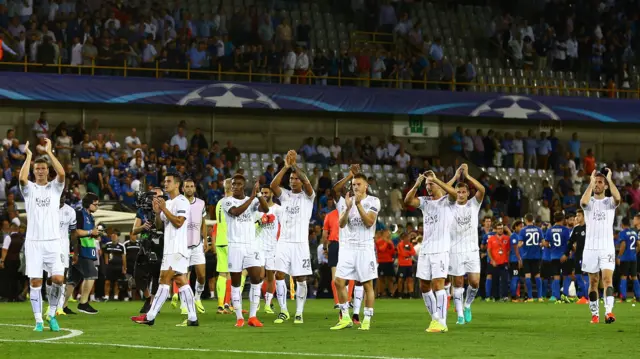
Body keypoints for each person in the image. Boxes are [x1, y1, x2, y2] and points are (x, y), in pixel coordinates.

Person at [131, 173, 199, 327]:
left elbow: (179, 222)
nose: (166, 183)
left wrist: (164, 209)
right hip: (171, 248)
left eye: (169, 181)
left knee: (164, 279)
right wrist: (157, 212)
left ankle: (150, 315)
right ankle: (193, 318)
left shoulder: (181, 201)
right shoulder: (168, 203)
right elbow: (161, 225)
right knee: (182, 281)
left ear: (177, 185)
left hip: (177, 248)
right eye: (165, 181)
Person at [19, 139, 66, 332]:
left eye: (43, 168)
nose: (39, 171)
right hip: (34, 242)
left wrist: (49, 152)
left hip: (53, 242)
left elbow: (62, 173)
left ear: (47, 171)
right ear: (34, 170)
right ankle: (38, 320)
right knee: (35, 281)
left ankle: (52, 313)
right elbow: (21, 179)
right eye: (37, 168)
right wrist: (28, 156)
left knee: (58, 279)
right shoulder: (29, 189)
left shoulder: (55, 188)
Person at [404, 170, 456, 333]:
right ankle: (435, 318)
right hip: (426, 249)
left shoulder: (448, 201)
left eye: (430, 184)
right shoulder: (425, 201)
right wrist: (417, 183)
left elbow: (454, 193)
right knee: (424, 285)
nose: (428, 187)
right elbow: (407, 201)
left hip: (441, 249)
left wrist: (437, 180)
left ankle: (442, 321)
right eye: (427, 185)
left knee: (438, 284)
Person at [329, 172, 380, 331]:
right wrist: (349, 206)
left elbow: (369, 222)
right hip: (347, 248)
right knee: (338, 281)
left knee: (366, 284)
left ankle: (367, 319)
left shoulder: (374, 201)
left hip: (364, 248)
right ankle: (345, 318)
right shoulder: (347, 201)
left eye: (358, 184)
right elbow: (342, 224)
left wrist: (358, 205)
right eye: (353, 185)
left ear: (366, 186)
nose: (355, 187)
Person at [270, 150, 315, 324]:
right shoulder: (285, 195)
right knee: (279, 274)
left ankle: (299, 312)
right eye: (291, 178)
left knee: (300, 278)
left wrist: (295, 166)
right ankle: (283, 311)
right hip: (284, 242)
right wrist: (285, 168)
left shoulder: (308, 197)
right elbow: (273, 186)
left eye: (295, 178)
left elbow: (307, 181)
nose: (292, 180)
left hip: (300, 243)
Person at [221, 175, 269, 327]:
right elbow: (236, 212)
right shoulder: (226, 201)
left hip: (251, 245)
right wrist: (251, 198)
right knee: (236, 282)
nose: (234, 186)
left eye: (238, 184)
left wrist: (259, 194)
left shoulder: (253, 199)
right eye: (233, 184)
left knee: (256, 278)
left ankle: (253, 317)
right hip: (235, 245)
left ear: (244, 186)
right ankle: (239, 317)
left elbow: (266, 209)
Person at [444, 164, 484, 325]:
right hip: (455, 250)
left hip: (472, 250)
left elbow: (482, 190)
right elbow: (443, 189)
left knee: (474, 282)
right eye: (458, 191)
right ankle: (460, 315)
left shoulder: (474, 204)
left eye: (463, 191)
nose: (460, 194)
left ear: (468, 193)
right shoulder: (449, 205)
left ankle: (467, 305)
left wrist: (467, 176)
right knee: (458, 283)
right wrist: (455, 177)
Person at [579, 169, 620, 324]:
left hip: (607, 248)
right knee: (594, 282)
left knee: (608, 280)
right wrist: (590, 183)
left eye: (600, 182)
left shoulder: (609, 203)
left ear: (605, 186)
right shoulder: (589, 203)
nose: (597, 184)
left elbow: (618, 198)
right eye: (596, 181)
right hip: (590, 248)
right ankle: (595, 314)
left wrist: (609, 179)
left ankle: (609, 312)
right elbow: (582, 202)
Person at [172, 179, 208, 315]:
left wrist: (205, 240)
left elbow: (204, 223)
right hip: (183, 246)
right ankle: (184, 304)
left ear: (194, 188)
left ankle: (197, 297)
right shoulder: (177, 203)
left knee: (202, 275)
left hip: (197, 244)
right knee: (183, 276)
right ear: (182, 188)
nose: (189, 189)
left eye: (191, 186)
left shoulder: (201, 203)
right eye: (187, 186)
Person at [130, 187, 164, 313]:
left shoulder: (166, 209)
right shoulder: (142, 210)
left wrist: (157, 213)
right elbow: (134, 230)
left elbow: (161, 226)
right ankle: (148, 298)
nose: (158, 199)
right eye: (155, 197)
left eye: (160, 197)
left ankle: (153, 303)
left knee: (156, 276)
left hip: (160, 246)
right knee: (138, 276)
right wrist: (143, 227)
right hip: (145, 245)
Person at [69, 192, 102, 315]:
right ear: (88, 204)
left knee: (74, 279)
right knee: (92, 274)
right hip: (81, 249)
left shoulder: (90, 216)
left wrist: (94, 234)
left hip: (87, 249)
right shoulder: (79, 214)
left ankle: (63, 305)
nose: (97, 207)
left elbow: (89, 233)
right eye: (95, 204)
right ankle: (83, 303)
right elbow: (76, 232)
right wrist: (90, 232)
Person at [255, 185, 283, 314]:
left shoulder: (278, 210)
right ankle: (256, 302)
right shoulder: (257, 209)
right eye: (262, 193)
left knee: (271, 276)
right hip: (259, 246)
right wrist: (261, 222)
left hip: (273, 247)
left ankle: (267, 303)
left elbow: (284, 227)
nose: (264, 194)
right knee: (259, 275)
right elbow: (252, 226)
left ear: (272, 193)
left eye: (266, 192)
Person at [49, 192, 77, 316]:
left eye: (63, 197)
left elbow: (74, 233)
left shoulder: (70, 211)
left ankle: (59, 307)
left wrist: (75, 250)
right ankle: (50, 306)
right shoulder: (47, 209)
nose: (61, 199)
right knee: (50, 276)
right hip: (48, 245)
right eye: (59, 196)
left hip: (63, 247)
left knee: (63, 275)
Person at [213, 178, 232, 314]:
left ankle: (221, 305)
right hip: (230, 241)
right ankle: (227, 303)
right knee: (230, 274)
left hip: (220, 240)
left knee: (222, 273)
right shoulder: (232, 202)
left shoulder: (219, 202)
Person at [543, 212, 571, 302]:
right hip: (564, 256)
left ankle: (556, 296)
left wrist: (552, 248)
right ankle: (565, 295)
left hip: (554, 256)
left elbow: (546, 244)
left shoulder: (549, 230)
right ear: (563, 219)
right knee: (566, 275)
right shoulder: (566, 230)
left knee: (556, 276)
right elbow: (569, 243)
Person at [562, 209, 589, 304]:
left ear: (584, 216)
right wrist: (566, 254)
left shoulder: (590, 227)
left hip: (588, 256)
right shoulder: (576, 229)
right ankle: (583, 296)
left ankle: (586, 297)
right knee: (577, 275)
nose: (577, 218)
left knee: (586, 276)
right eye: (577, 215)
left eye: (579, 216)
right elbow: (570, 242)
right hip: (578, 256)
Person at [518, 213, 544, 302]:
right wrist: (539, 245)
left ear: (525, 220)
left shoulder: (523, 230)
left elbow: (520, 243)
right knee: (537, 275)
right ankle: (540, 297)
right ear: (532, 220)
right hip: (536, 256)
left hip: (526, 256)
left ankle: (530, 297)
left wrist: (519, 245)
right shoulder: (539, 230)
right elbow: (543, 243)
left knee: (527, 276)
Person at [616, 217, 640, 302]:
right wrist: (634, 252)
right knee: (634, 277)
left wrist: (619, 256)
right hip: (633, 258)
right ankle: (638, 296)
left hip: (625, 258)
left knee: (624, 276)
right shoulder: (634, 232)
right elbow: (638, 244)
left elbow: (623, 245)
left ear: (622, 224)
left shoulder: (622, 233)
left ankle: (623, 297)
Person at [487, 222, 510, 302]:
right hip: (494, 263)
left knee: (505, 280)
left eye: (501, 228)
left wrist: (507, 258)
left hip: (504, 262)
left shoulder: (507, 238)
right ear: (496, 230)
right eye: (499, 228)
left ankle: (504, 296)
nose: (500, 230)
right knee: (495, 280)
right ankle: (495, 297)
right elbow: (489, 251)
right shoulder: (491, 239)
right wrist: (492, 260)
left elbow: (510, 249)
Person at [103, 230, 126, 301]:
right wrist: (106, 265)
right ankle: (106, 296)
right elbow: (106, 256)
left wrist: (124, 268)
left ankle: (116, 296)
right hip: (110, 266)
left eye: (115, 236)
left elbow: (124, 258)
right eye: (112, 236)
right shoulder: (107, 245)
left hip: (119, 266)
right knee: (107, 282)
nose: (113, 237)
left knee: (117, 282)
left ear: (117, 237)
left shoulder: (121, 246)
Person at [509, 220, 524, 301]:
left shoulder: (520, 236)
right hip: (515, 260)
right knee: (515, 277)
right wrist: (519, 259)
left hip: (520, 260)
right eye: (520, 226)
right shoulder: (514, 236)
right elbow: (515, 248)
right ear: (515, 227)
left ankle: (517, 296)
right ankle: (513, 297)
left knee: (518, 278)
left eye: (522, 226)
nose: (522, 228)